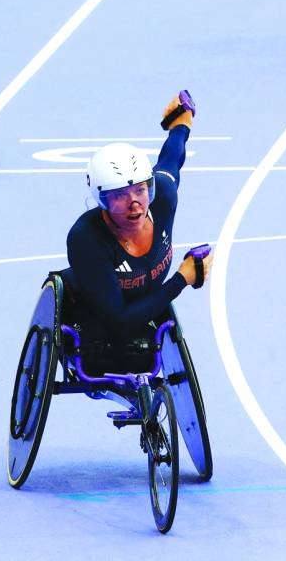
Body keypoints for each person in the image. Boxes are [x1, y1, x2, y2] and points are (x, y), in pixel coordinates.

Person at [63, 93, 212, 374]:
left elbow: (171, 161)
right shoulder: (86, 240)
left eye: (140, 190)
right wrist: (182, 279)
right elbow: (118, 321)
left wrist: (181, 125)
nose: (134, 203)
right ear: (101, 199)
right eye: (119, 195)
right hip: (99, 321)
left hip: (145, 308)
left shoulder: (163, 198)